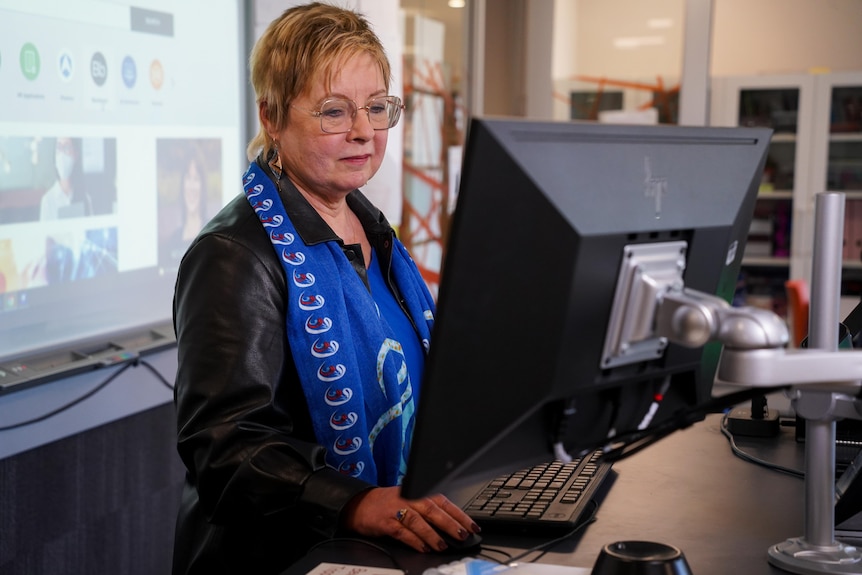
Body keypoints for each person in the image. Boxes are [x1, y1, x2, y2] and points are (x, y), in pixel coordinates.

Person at [171, 3, 479, 574]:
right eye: (334, 112)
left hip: (380, 553)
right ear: (271, 116)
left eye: (376, 108)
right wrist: (356, 503)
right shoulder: (233, 257)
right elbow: (226, 451)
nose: (363, 130)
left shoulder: (376, 233)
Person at [40, 137, 90, 220]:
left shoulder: (85, 198)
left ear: (76, 154)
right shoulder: (47, 200)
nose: (62, 154)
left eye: (67, 147)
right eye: (59, 148)